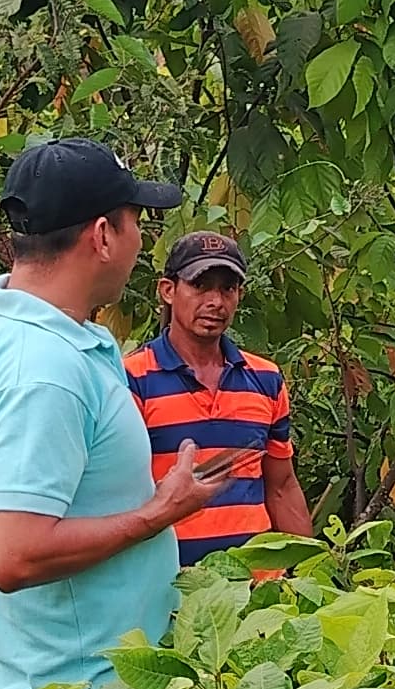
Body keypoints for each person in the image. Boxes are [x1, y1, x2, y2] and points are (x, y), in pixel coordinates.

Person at [0, 140, 221, 689]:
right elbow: (11, 557)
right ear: (102, 235)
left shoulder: (6, 329)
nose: (141, 242)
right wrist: (159, 513)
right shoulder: (43, 367)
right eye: (136, 222)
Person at [127, 230, 314, 565]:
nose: (215, 301)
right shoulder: (132, 378)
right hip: (172, 582)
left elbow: (282, 486)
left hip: (258, 583)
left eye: (227, 288)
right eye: (200, 286)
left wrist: (309, 575)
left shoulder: (265, 379)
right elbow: (116, 494)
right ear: (168, 290)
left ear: (239, 294)